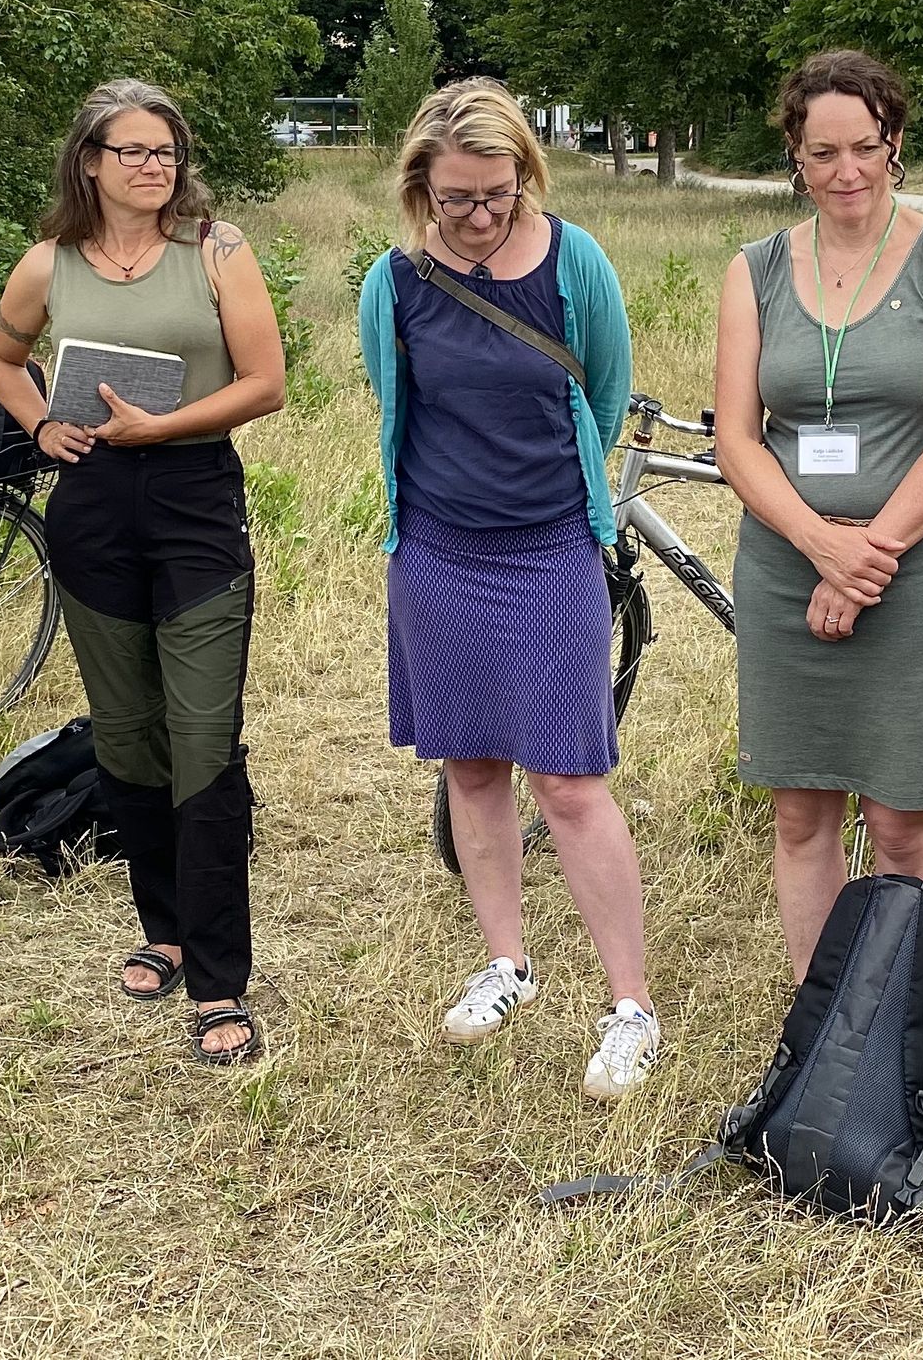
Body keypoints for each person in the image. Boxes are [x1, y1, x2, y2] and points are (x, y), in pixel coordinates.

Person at [356, 78, 659, 1101]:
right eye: (457, 200)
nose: (480, 217)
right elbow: (396, 405)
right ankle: (507, 963)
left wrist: (559, 503)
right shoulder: (390, 284)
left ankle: (631, 1007)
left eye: (499, 194)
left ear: (526, 175)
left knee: (570, 781)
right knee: (471, 768)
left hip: (548, 551)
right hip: (437, 552)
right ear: (420, 192)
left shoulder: (575, 264)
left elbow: (603, 394)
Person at [0, 79, 286, 1065]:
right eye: (134, 152)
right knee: (129, 735)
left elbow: (265, 384)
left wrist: (166, 427)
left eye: (167, 152)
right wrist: (39, 424)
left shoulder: (217, 251)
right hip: (95, 509)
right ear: (90, 163)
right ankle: (162, 929)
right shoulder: (48, 263)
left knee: (204, 737)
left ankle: (221, 979)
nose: (154, 167)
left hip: (195, 503)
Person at [712, 49, 923, 980]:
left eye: (865, 148)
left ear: (896, 145)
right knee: (801, 815)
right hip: (783, 573)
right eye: (822, 151)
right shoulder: (753, 271)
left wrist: (866, 556)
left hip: (907, 575)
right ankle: (822, 1025)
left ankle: (916, 1031)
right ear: (794, 153)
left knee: (902, 820)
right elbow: (738, 439)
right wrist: (817, 546)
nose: (846, 172)